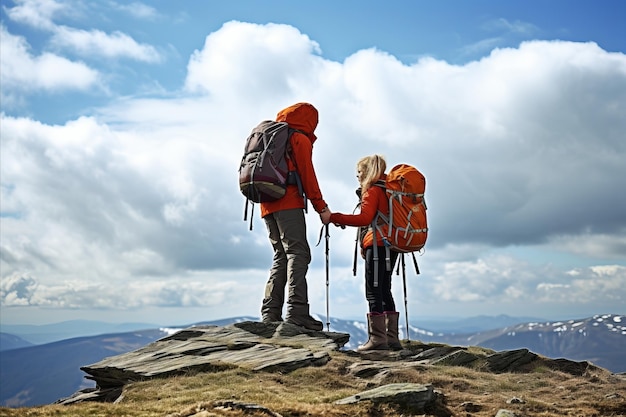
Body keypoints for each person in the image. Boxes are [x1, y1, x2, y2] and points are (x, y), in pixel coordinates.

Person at [260, 102, 332, 331]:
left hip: (266, 202)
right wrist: (322, 208)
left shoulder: (271, 135)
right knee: (299, 253)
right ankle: (297, 311)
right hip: (288, 200)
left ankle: (270, 313)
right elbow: (308, 176)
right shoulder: (298, 138)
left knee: (281, 255)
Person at [325, 155, 401, 351]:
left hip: (376, 245)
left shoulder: (373, 190)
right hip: (392, 244)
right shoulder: (390, 190)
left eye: (359, 172)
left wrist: (334, 217)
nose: (357, 177)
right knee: (385, 289)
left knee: (373, 291)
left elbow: (364, 218)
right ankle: (391, 338)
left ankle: (377, 340)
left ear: (367, 172)